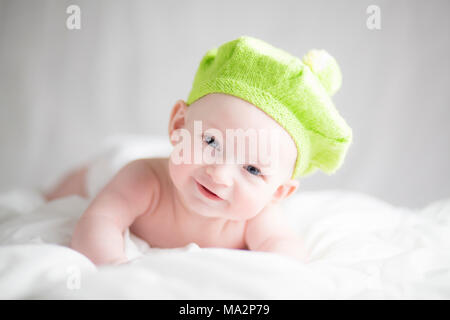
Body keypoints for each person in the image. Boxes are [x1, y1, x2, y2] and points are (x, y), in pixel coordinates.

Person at [45, 36, 352, 265]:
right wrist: (115, 269)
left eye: (253, 169)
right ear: (179, 125)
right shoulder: (143, 180)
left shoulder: (257, 217)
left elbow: (285, 251)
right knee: (75, 186)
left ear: (278, 193)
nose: (219, 175)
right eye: (211, 142)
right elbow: (99, 221)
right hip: (123, 163)